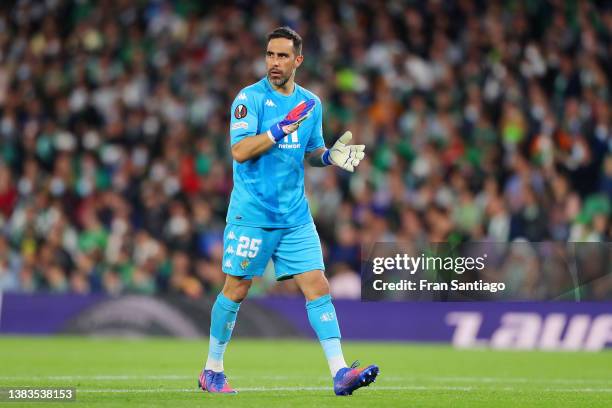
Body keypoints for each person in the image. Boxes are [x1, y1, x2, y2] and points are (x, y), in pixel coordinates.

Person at [198, 26, 378, 396]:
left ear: (298, 60)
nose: (274, 63)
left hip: (294, 216)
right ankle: (211, 370)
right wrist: (278, 130)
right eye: (269, 55)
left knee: (318, 286)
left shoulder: (311, 104)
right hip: (253, 214)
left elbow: (310, 151)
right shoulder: (249, 99)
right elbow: (240, 151)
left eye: (282, 56)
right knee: (236, 288)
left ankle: (340, 372)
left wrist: (328, 157)